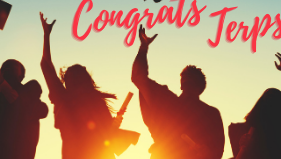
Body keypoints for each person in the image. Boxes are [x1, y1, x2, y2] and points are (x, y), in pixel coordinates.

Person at [131, 25, 225, 159]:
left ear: (200, 87)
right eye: (185, 77)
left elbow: (217, 152)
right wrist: (143, 47)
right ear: (181, 84)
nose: (187, 79)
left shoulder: (211, 113)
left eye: (192, 78)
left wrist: (206, 152)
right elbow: (138, 77)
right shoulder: (166, 100)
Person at [39, 12, 119, 159]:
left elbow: (46, 66)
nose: (67, 81)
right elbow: (110, 136)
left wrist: (46, 35)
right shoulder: (96, 101)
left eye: (68, 77)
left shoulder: (63, 98)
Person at [0, 59, 48, 159]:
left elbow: (21, 106)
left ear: (21, 76)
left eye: (11, 66)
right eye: (3, 67)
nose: (5, 68)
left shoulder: (29, 91)